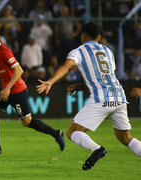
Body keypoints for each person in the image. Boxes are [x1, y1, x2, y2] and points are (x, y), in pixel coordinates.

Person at [37, 22, 141, 170]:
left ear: (82, 36)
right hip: (119, 96)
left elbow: (66, 67)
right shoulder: (108, 51)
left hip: (101, 99)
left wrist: (50, 81)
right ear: (99, 37)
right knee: (126, 138)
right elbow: (105, 76)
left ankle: (97, 149)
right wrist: (82, 86)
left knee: (73, 132)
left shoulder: (78, 51)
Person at [0, 23, 65, 156]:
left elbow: (19, 70)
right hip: (6, 90)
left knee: (27, 122)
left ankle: (56, 134)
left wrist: (7, 88)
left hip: (17, 90)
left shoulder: (5, 51)